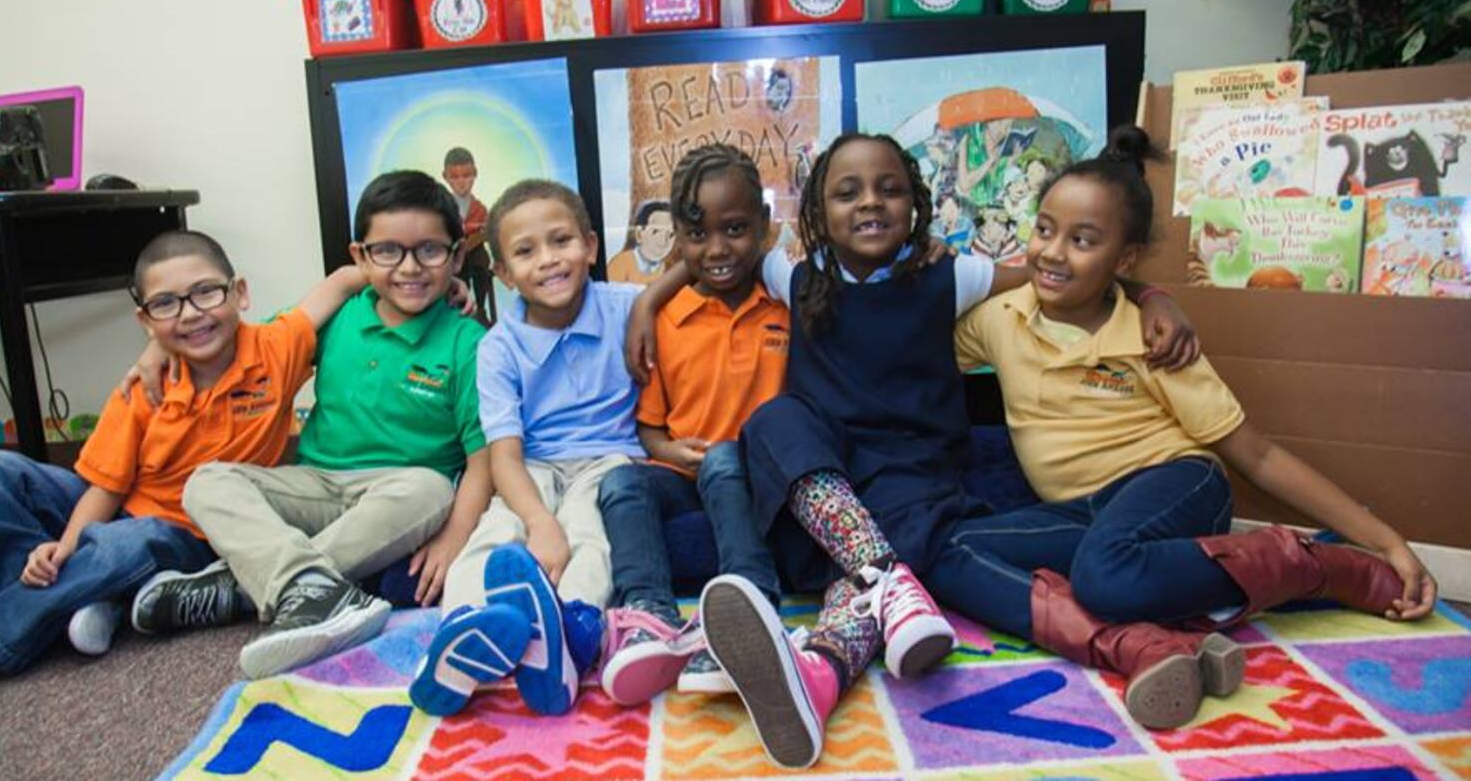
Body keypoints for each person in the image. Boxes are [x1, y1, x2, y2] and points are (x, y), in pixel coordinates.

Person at [682, 133, 1195, 769]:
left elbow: (1057, 277)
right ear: (816, 210)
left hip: (913, 477)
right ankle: (886, 580)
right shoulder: (795, 274)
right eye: (847, 193)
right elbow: (712, 256)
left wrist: (1152, 295)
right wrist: (653, 295)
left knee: (909, 538)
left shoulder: (951, 275)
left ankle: (819, 674)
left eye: (889, 189)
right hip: (826, 490)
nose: (870, 203)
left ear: (917, 203)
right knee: (773, 420)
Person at [928, 125, 1437, 729]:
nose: (1054, 252)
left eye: (1082, 240)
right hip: (1080, 510)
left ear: (1124, 260)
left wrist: (1384, 541)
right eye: (1044, 229)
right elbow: (912, 337)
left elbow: (1259, 457)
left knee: (1103, 572)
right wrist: (925, 262)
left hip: (1175, 482)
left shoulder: (1155, 340)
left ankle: (1315, 567)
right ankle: (1150, 639)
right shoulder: (1001, 319)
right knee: (948, 551)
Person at [0, 230, 354, 715]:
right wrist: (67, 546)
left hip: (190, 535)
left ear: (240, 293)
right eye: (166, 304)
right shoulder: (142, 387)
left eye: (206, 292)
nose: (190, 313)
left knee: (128, 542)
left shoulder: (276, 347)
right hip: (119, 509)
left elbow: (343, 280)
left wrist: (396, 261)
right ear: (145, 321)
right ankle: (62, 600)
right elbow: (105, 489)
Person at [132, 172, 487, 679]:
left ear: (456, 257)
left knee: (431, 489)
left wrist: (455, 537)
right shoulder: (339, 317)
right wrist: (159, 344)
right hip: (314, 486)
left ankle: (249, 586)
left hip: (398, 502)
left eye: (429, 251)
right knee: (209, 481)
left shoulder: (467, 342)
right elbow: (240, 343)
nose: (409, 267)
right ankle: (308, 587)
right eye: (388, 251)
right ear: (360, 257)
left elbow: (483, 459)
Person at [409, 180, 642, 718]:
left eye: (561, 241)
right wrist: (539, 521)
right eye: (525, 251)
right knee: (495, 532)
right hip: (529, 463)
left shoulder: (628, 306)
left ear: (590, 245)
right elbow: (504, 457)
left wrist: (654, 304)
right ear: (503, 273)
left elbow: (686, 291)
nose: (548, 261)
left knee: (591, 533)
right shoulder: (498, 348)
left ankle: (567, 636)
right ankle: (461, 629)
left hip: (609, 459)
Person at [595, 145, 785, 705]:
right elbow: (651, 432)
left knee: (727, 456)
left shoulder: (784, 303)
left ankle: (752, 603)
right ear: (678, 237)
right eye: (698, 236)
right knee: (619, 479)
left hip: (752, 471)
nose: (718, 250)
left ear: (765, 228)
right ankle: (649, 615)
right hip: (683, 473)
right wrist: (673, 453)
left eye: (735, 230)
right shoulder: (667, 321)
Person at [443, 147, 496, 323]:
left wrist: (481, 234)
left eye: (466, 176)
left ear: (475, 174)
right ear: (446, 177)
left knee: (481, 263)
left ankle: (481, 309)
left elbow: (486, 230)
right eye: (455, 177)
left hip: (475, 255)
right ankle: (459, 310)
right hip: (455, 257)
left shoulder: (479, 208)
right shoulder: (444, 207)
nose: (461, 182)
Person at [606, 200, 675, 284]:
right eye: (655, 232)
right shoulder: (620, 264)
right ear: (639, 234)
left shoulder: (669, 270)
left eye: (671, 234)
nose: (664, 240)